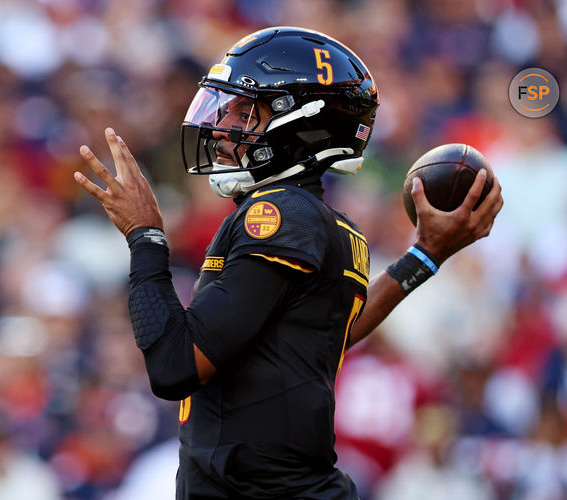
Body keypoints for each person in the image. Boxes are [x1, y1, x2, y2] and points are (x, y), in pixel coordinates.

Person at [74, 27, 503, 500]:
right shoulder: (329, 225)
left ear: (298, 122)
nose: (223, 127)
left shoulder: (278, 215)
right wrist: (425, 255)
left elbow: (175, 367)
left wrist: (145, 235)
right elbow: (333, 334)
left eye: (245, 112)